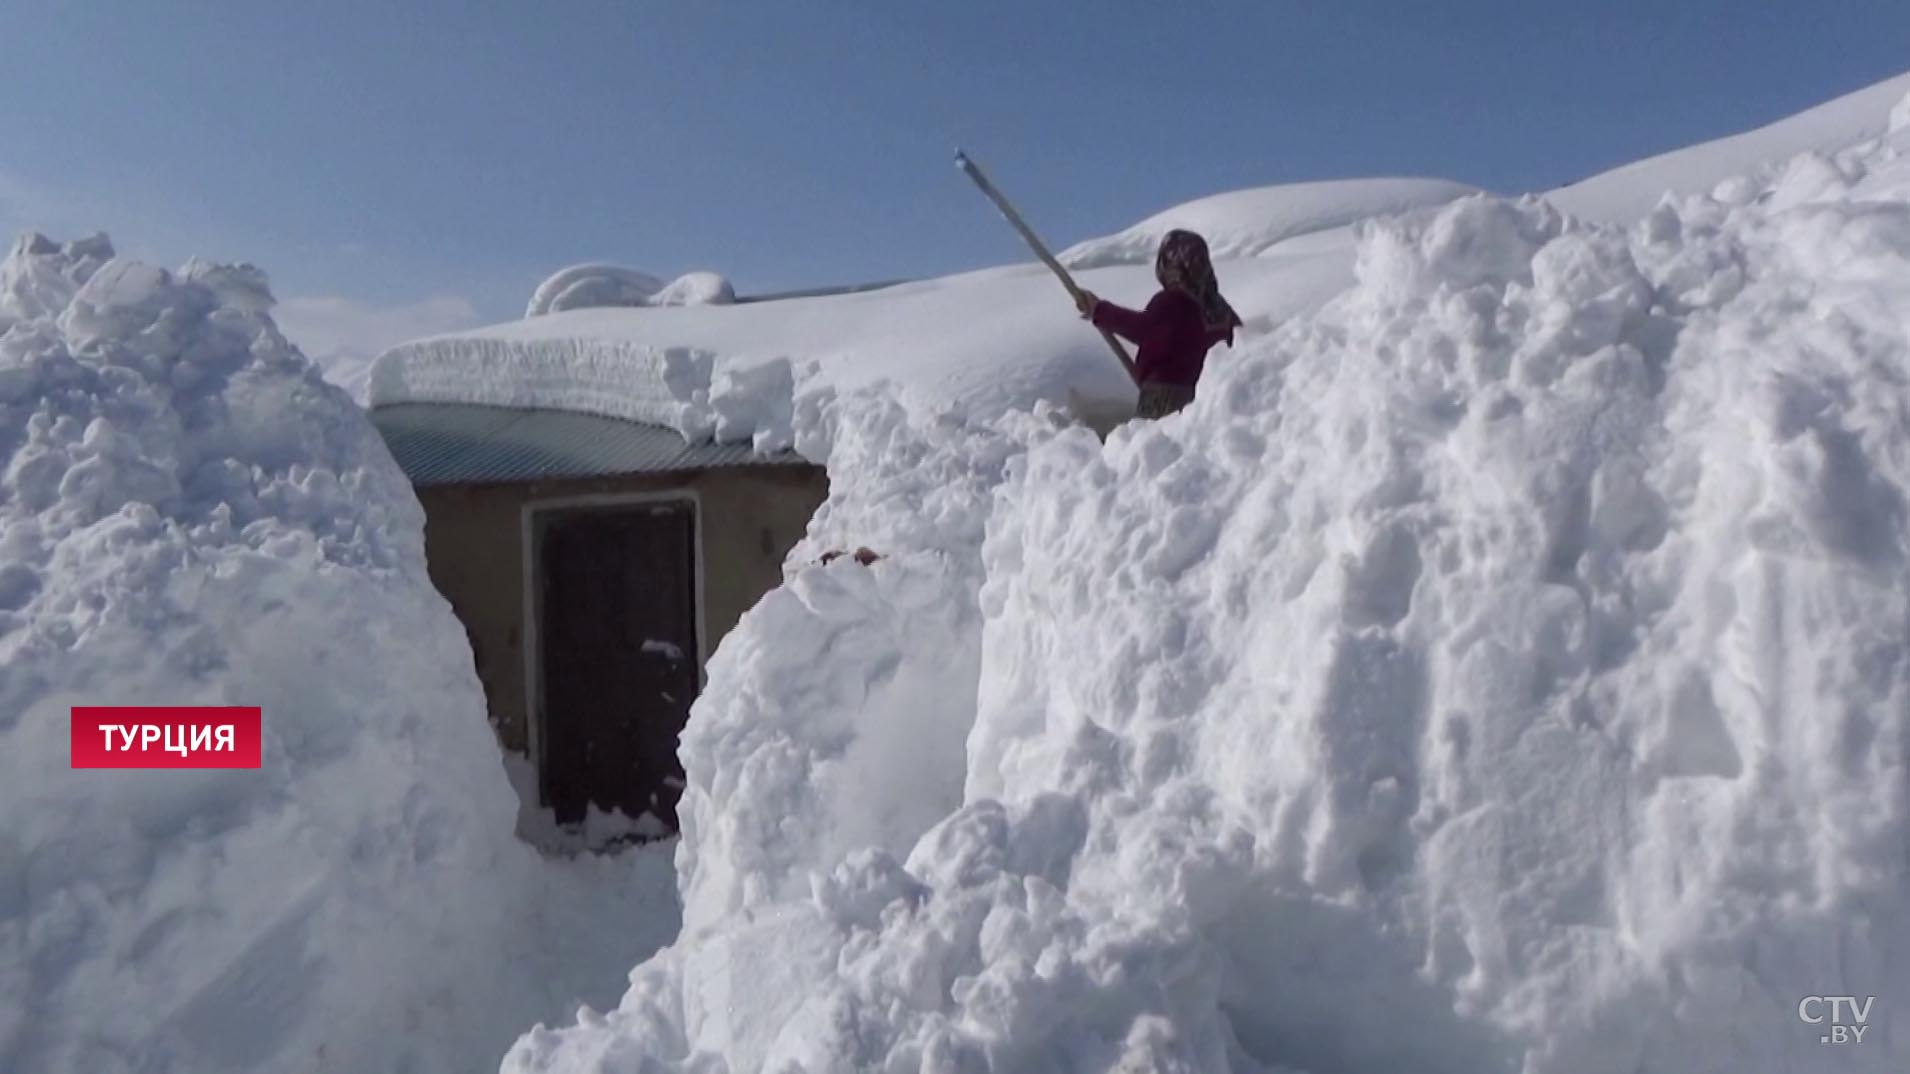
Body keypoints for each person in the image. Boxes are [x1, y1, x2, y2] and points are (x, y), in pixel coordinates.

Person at [1074, 229, 1242, 419]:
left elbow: (1142, 329)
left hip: (1164, 400)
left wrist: (1099, 311)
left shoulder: (1173, 301)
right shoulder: (1221, 309)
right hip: (1208, 403)